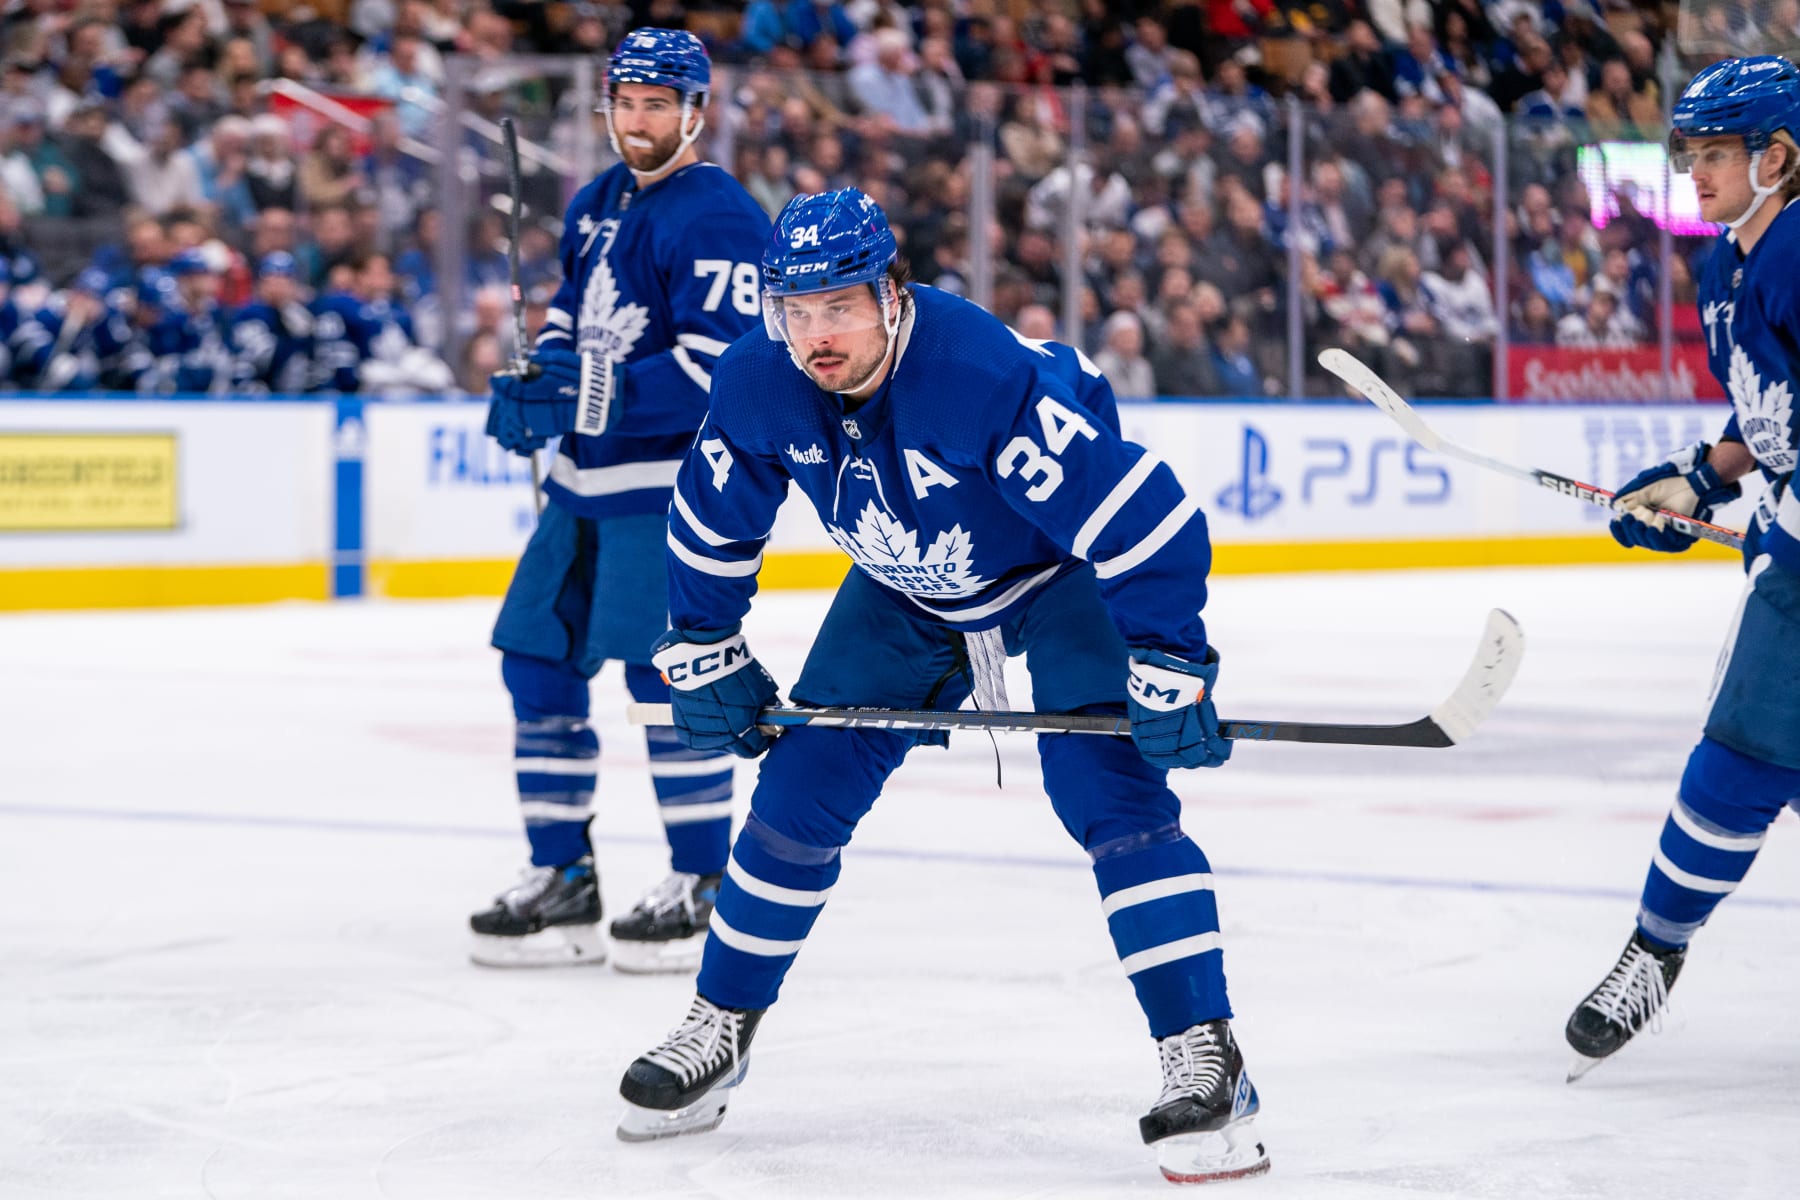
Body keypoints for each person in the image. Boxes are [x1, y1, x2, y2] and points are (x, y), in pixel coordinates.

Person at [616, 188, 1263, 1186]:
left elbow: (1149, 522)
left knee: (1110, 796)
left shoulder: (974, 374)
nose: (815, 334)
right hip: (901, 585)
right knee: (796, 796)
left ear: (890, 294)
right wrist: (704, 642)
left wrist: (1172, 660)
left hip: (1051, 576)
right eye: (795, 309)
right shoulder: (758, 377)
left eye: (839, 306)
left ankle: (1206, 1056)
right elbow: (711, 521)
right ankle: (721, 1024)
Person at [474, 29, 771, 972]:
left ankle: (702, 879)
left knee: (661, 683)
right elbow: (569, 321)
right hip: (582, 485)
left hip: (666, 491)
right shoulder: (597, 202)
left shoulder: (718, 216)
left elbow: (720, 371)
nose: (637, 120)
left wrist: (584, 393)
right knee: (536, 664)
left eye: (657, 103)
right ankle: (562, 876)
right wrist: (537, 385)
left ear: (695, 111)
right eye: (626, 101)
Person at [1564, 55, 1800, 1080]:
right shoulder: (1727, 267)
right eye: (1690, 153)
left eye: (1715, 153)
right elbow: (1768, 415)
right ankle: (1654, 952)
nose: (1693, 172)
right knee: (1739, 758)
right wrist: (1704, 478)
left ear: (1779, 157)